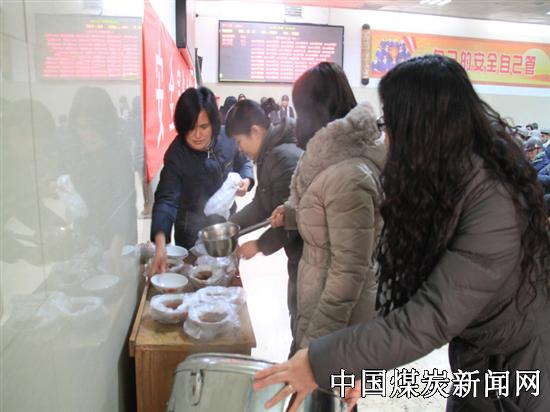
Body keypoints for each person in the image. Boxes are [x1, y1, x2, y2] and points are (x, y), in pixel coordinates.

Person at [255, 55, 550, 412]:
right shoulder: (445, 182)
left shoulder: (493, 203)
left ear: (422, 130)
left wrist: (319, 361)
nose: (386, 138)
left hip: (518, 376)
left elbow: (430, 317)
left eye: (391, 124)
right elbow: (409, 296)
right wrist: (360, 365)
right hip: (479, 361)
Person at [268, 61, 386, 408]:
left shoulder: (348, 175)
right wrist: (292, 214)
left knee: (328, 400)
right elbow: (330, 215)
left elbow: (349, 272)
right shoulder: (334, 161)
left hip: (337, 323)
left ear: (313, 109)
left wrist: (312, 349)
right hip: (323, 308)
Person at [225, 99, 303, 353]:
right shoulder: (270, 154)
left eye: (239, 141)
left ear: (255, 131)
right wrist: (230, 226)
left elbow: (292, 222)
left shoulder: (282, 157)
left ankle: (302, 368)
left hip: (308, 257)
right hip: (300, 257)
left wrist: (259, 245)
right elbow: (261, 205)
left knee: (304, 321)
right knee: (300, 316)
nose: (239, 149)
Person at [149, 87, 254, 273]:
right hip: (190, 230)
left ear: (213, 123)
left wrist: (247, 179)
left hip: (225, 226)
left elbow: (243, 161)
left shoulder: (227, 138)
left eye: (203, 127)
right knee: (195, 276)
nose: (197, 135)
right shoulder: (177, 155)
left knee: (226, 275)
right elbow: (166, 199)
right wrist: (160, 245)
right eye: (190, 127)